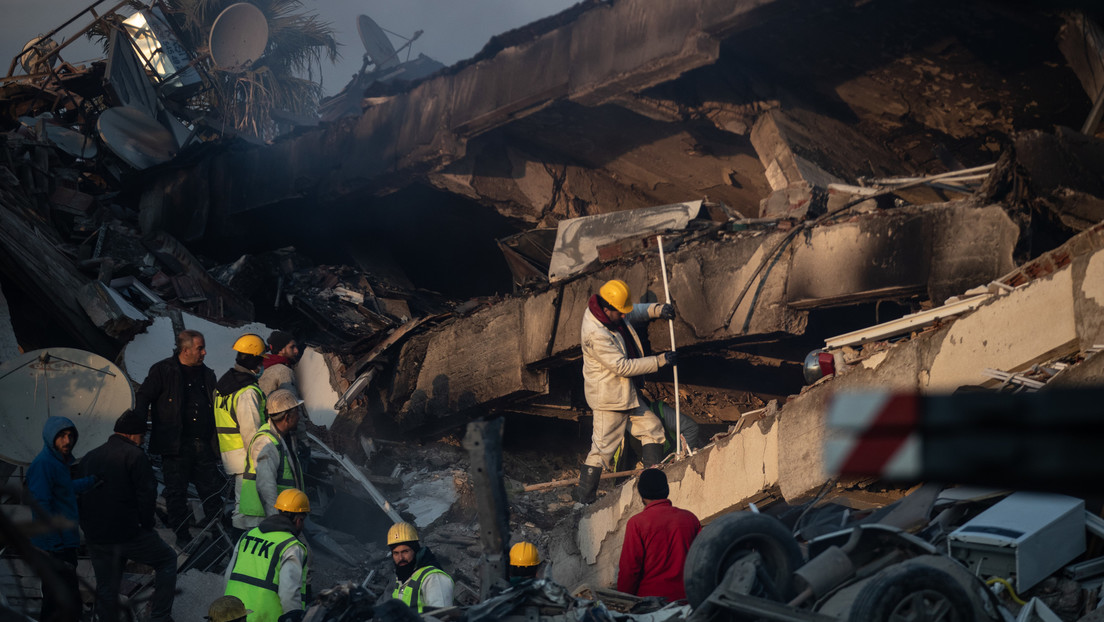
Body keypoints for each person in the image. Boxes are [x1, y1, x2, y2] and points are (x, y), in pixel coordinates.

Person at [575, 278, 676, 504]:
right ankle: (581, 503)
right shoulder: (595, 333)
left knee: (653, 429)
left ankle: (653, 488)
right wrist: (660, 360)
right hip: (609, 399)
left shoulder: (609, 313)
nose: (624, 316)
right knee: (602, 452)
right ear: (607, 308)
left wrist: (657, 310)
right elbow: (622, 366)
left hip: (624, 394)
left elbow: (630, 312)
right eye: (619, 312)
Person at [80, 410, 178, 622]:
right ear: (133, 434)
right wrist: (146, 525)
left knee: (107, 587)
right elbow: (147, 495)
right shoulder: (135, 455)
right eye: (142, 436)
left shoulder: (89, 457)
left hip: (96, 536)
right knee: (167, 560)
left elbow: (78, 495)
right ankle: (160, 617)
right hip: (128, 533)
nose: (142, 441)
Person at [133, 329, 224, 545]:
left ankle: (219, 537)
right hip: (174, 445)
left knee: (211, 492)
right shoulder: (164, 370)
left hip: (203, 444)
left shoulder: (207, 374)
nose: (204, 352)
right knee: (176, 493)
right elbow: (144, 396)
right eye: (199, 348)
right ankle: (183, 537)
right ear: (185, 350)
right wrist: (137, 427)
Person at [26, 416, 96, 622]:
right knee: (58, 599)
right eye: (62, 437)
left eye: (70, 436)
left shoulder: (58, 462)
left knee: (61, 597)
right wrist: (54, 545)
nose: (67, 441)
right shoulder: (44, 464)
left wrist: (90, 481)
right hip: (54, 546)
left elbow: (64, 490)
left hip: (64, 542)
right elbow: (41, 505)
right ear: (50, 437)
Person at [225, 488, 311, 622]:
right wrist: (293, 617)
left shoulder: (247, 536)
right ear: (299, 520)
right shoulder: (291, 546)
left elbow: (228, 576)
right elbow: (289, 592)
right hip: (264, 617)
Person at [616, 468, 700, 601]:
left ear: (641, 493)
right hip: (687, 601)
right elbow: (702, 560)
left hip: (650, 605)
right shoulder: (690, 519)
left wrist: (622, 602)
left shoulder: (637, 523)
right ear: (666, 490)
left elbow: (630, 571)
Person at [215, 333, 268, 532]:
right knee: (247, 509)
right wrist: (263, 461)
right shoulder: (247, 392)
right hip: (248, 458)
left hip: (231, 454)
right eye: (261, 359)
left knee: (244, 505)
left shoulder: (224, 385)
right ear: (255, 360)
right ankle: (240, 546)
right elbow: (251, 432)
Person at [236, 389, 304, 532]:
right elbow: (266, 485)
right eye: (297, 412)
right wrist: (275, 521)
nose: (300, 417)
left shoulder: (283, 437)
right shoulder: (266, 442)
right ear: (287, 417)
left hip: (278, 515)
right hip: (263, 519)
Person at [387, 521, 454, 612]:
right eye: (396, 553)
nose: (400, 558)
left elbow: (442, 616)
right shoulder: (402, 578)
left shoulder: (433, 578)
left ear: (415, 550)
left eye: (405, 551)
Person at [259, 331, 301, 398]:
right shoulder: (283, 370)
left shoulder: (263, 367)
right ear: (281, 350)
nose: (296, 350)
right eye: (292, 347)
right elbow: (290, 400)